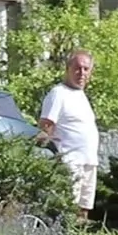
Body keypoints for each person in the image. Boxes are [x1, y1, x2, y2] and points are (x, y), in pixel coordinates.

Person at [38, 50, 99, 218]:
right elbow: (46, 126)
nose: (82, 73)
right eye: (77, 68)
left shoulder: (81, 95)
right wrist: (53, 157)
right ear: (68, 69)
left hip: (88, 162)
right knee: (67, 210)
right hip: (70, 163)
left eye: (86, 69)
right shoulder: (58, 93)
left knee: (83, 210)